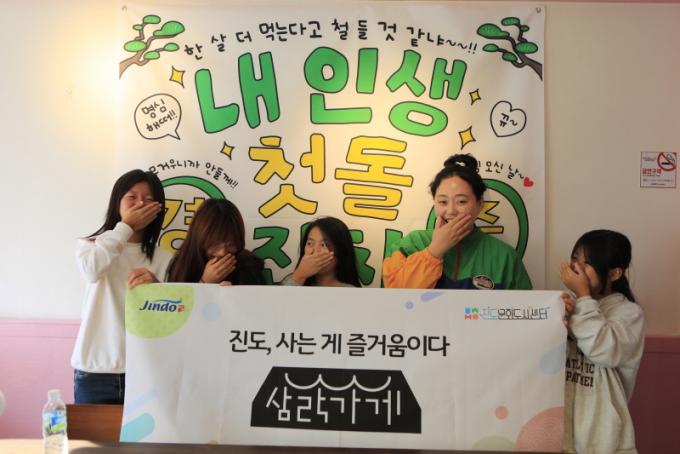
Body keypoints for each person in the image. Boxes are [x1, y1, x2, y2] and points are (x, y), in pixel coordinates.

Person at [72, 169, 173, 404]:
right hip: (94, 371)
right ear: (117, 201)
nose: (140, 203)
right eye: (132, 197)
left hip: (146, 371)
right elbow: (91, 270)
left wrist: (157, 287)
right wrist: (125, 226)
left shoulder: (165, 258)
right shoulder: (90, 246)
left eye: (149, 199)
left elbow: (172, 315)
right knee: (91, 431)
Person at [383, 153, 531, 289]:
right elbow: (394, 298)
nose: (451, 211)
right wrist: (433, 252)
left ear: (480, 204)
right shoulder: (410, 245)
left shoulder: (505, 257)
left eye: (461, 201)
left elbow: (524, 306)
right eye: (443, 202)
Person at [560, 229, 645, 453]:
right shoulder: (570, 306)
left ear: (614, 273)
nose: (576, 268)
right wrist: (558, 319)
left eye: (587, 263)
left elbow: (604, 349)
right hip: (561, 431)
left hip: (603, 437)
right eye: (574, 259)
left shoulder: (630, 314)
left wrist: (583, 298)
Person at [166, 198, 265, 285]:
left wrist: (234, 293)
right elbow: (178, 299)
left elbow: (257, 299)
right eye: (214, 244)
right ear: (199, 239)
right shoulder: (182, 265)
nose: (222, 252)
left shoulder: (248, 265)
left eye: (231, 245)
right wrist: (204, 283)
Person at [281, 216, 361, 287]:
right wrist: (299, 276)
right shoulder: (293, 280)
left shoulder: (350, 291)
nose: (316, 250)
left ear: (341, 250)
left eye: (324, 244)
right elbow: (281, 298)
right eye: (309, 243)